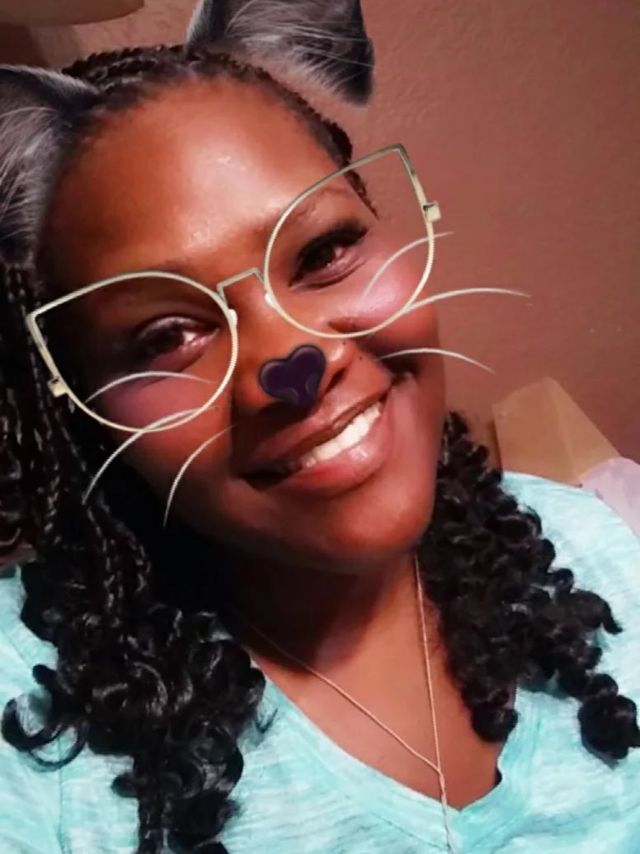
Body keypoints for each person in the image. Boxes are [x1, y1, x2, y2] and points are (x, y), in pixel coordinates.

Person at [0, 2, 638, 852]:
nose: (293, 365)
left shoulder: (598, 551)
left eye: (323, 252)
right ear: (76, 395)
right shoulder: (30, 728)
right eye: (166, 335)